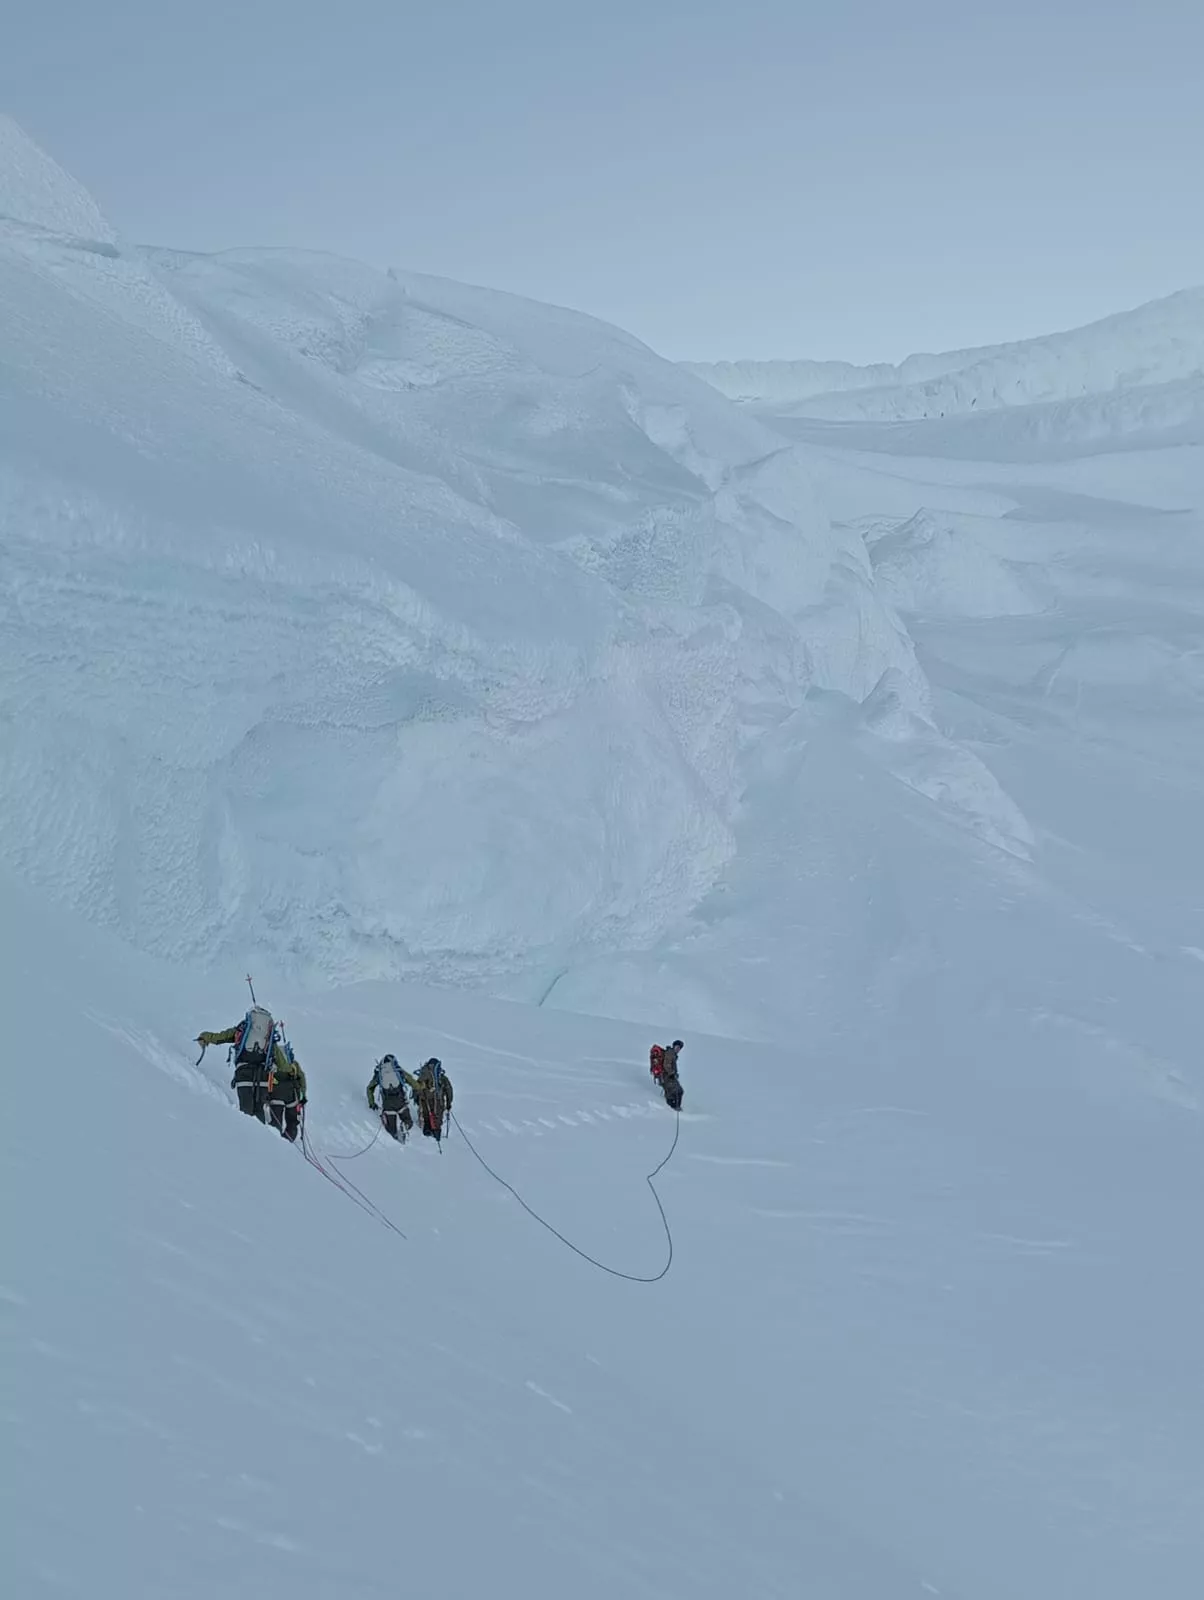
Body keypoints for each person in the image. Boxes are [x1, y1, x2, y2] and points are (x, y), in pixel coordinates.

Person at [196, 1005, 307, 1140]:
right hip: (263, 1078)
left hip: (244, 1074)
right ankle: (266, 1145)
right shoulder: (269, 1039)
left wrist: (205, 1037)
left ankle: (247, 1145)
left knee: (246, 1113)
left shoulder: (243, 1030)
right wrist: (292, 1069)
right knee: (260, 1112)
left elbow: (220, 1037)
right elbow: (282, 1065)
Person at [367, 1054, 414, 1142]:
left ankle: (395, 1140)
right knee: (408, 1121)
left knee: (391, 1129)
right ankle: (405, 1126)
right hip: (401, 1101)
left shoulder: (380, 1073)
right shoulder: (398, 1071)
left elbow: (369, 1088)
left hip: (387, 1104)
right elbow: (413, 1082)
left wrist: (372, 1103)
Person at [411, 1057, 453, 1143]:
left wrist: (416, 1099)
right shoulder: (442, 1077)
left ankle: (427, 1130)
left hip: (424, 1100)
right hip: (438, 1100)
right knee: (437, 1117)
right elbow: (449, 1091)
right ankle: (436, 1134)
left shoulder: (423, 1074)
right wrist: (449, 1104)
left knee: (426, 1116)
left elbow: (416, 1087)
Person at [649, 1039, 684, 1110]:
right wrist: (672, 1073)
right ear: (674, 1046)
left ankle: (672, 1107)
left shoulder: (672, 1054)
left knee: (671, 1092)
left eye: (679, 1048)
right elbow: (666, 1065)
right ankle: (675, 1108)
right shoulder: (670, 1053)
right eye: (677, 1047)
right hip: (666, 1076)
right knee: (678, 1091)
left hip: (664, 1076)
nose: (678, 1049)